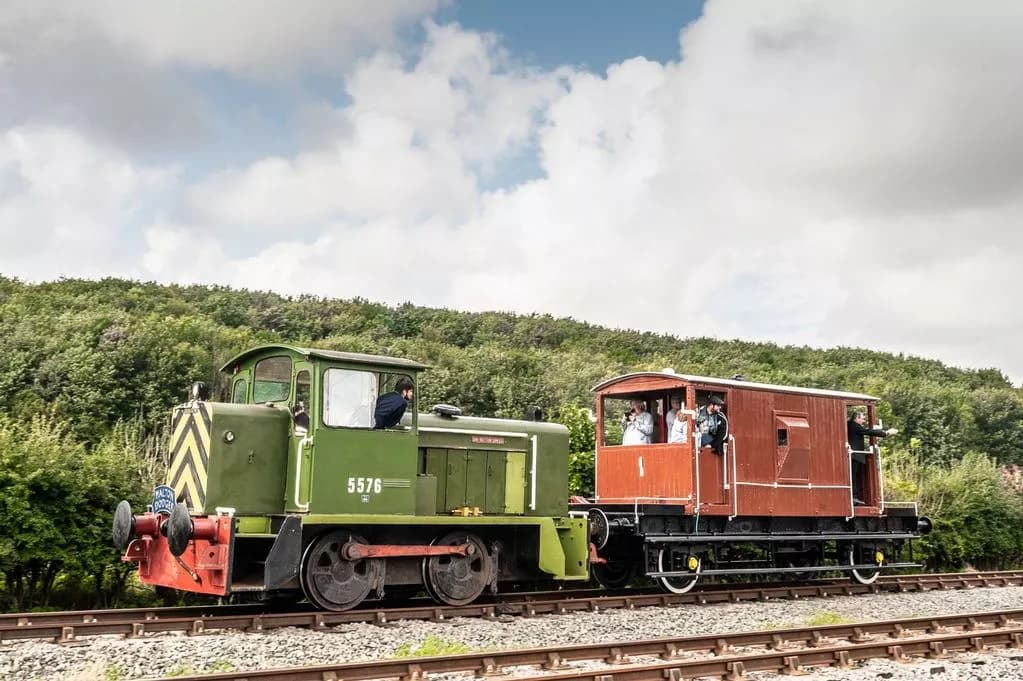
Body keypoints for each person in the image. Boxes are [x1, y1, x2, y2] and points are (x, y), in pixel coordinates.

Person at [846, 411, 898, 504]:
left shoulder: (850, 425)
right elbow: (868, 431)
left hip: (854, 456)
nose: (863, 420)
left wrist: (877, 429)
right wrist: (886, 433)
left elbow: (866, 430)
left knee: (853, 477)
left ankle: (853, 497)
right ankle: (853, 497)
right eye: (862, 418)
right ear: (856, 418)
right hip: (855, 456)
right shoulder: (854, 426)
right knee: (853, 477)